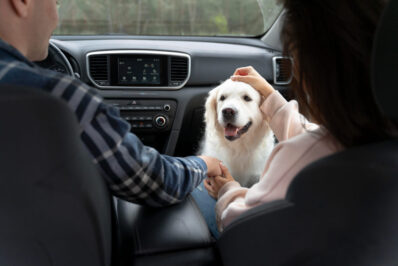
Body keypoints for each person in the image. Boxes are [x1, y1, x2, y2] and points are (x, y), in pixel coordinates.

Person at [0, 0, 222, 206]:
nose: (56, 17)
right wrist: (203, 164)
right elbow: (152, 181)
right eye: (56, 2)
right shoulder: (56, 97)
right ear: (22, 2)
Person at [203, 0, 398, 234]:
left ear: (313, 70)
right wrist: (270, 98)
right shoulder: (381, 142)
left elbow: (239, 222)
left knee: (197, 194)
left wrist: (229, 190)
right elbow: (315, 136)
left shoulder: (299, 157)